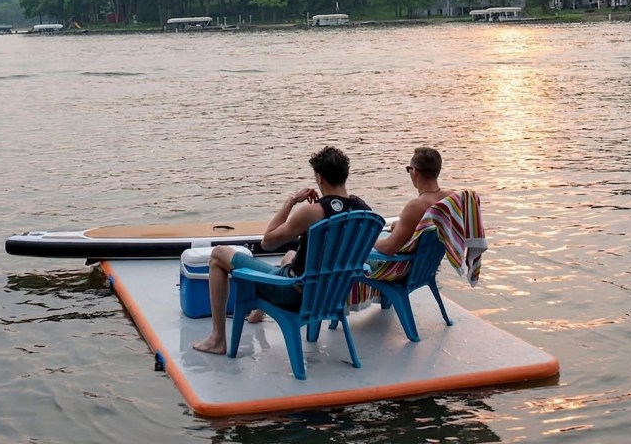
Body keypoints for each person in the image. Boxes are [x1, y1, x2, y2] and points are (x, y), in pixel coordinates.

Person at [193, 146, 371, 355]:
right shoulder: (364, 211)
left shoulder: (313, 212)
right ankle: (258, 313)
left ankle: (217, 340)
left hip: (295, 295)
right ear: (345, 175)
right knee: (290, 256)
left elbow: (267, 242)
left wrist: (291, 202)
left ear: (319, 179)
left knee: (218, 255)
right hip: (333, 294)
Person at [372, 147, 451, 258]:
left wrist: (370, 240)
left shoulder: (416, 206)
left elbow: (388, 247)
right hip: (428, 266)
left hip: (406, 272)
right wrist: (401, 226)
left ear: (414, 171)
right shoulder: (450, 199)